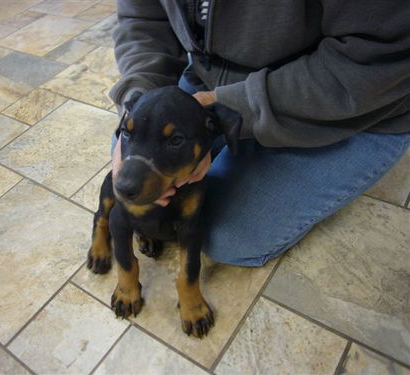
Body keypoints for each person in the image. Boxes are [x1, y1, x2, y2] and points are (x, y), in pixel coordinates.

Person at [109, 0, 410, 266]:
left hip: (356, 106)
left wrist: (235, 108)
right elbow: (142, 19)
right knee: (129, 172)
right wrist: (139, 100)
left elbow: (378, 56)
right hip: (212, 73)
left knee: (222, 236)